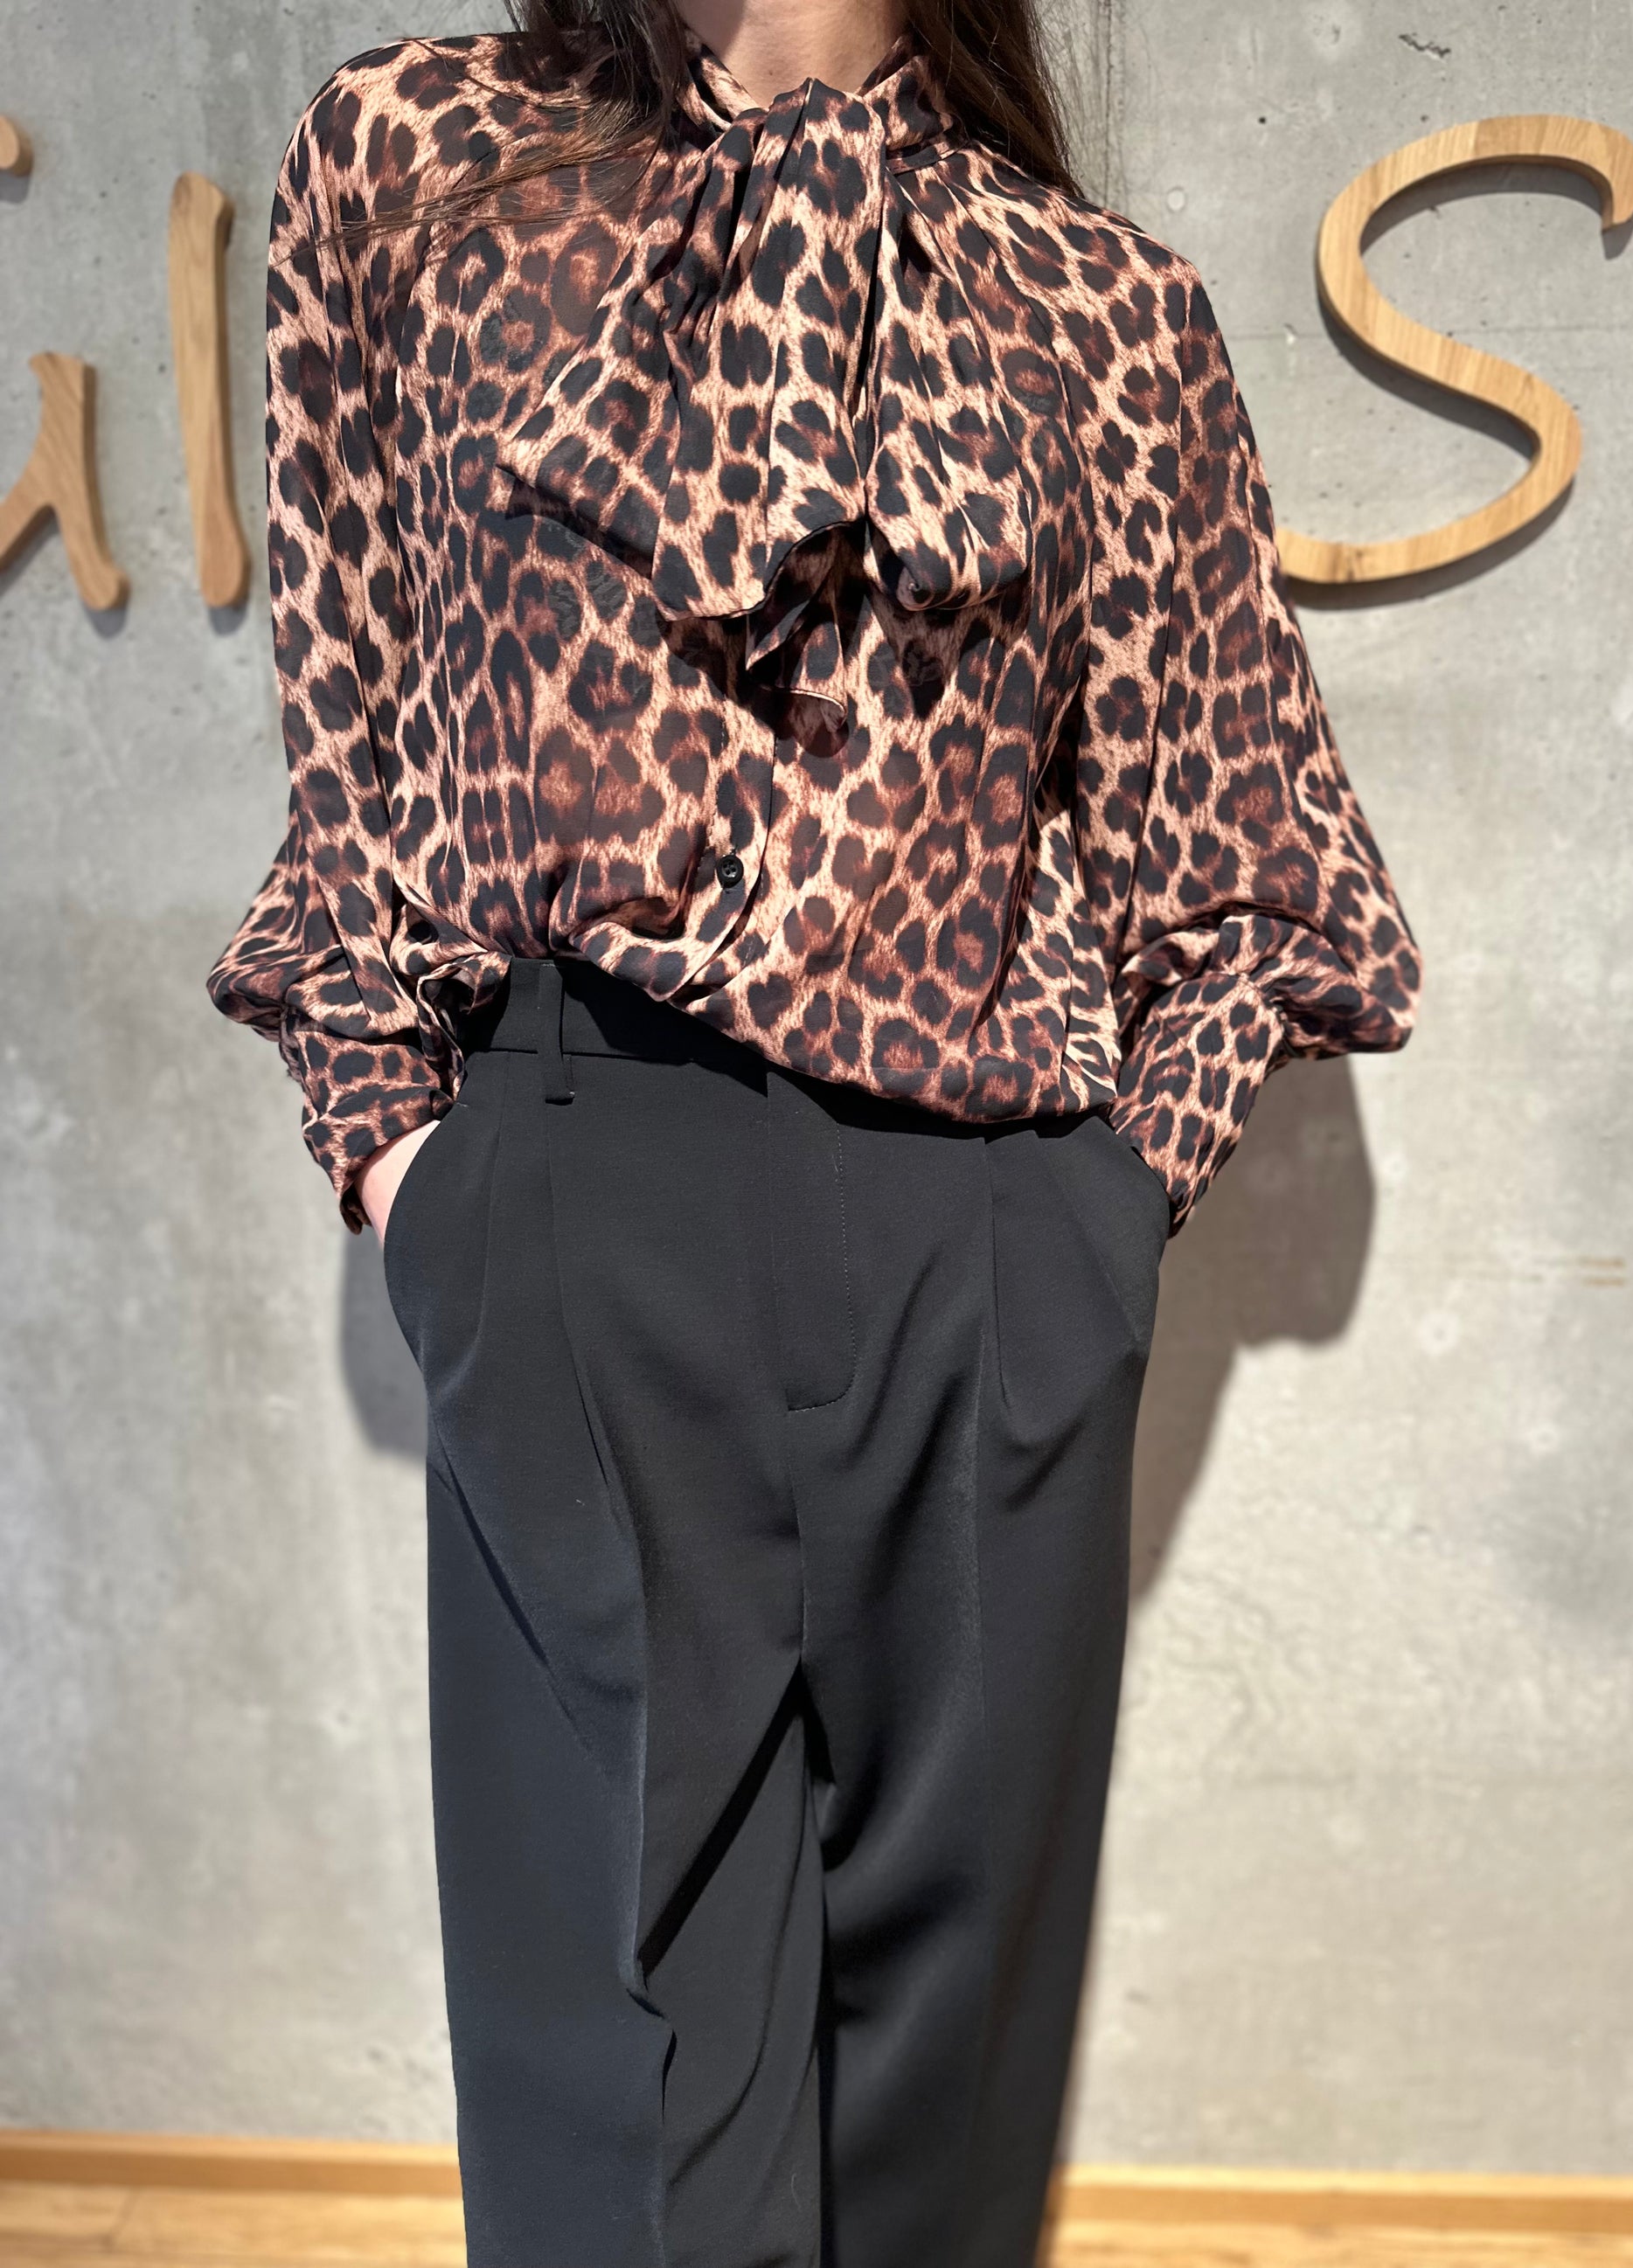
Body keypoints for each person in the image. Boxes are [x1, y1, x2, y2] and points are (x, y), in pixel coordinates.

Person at [209, 0, 1421, 2260]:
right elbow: (350, 745)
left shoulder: (1094, 301)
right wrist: (412, 1164)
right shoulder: (422, 164)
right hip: (579, 1204)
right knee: (622, 2164)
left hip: (983, 1249)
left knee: (936, 2161)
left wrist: (1094, 1226)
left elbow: (1248, 880)